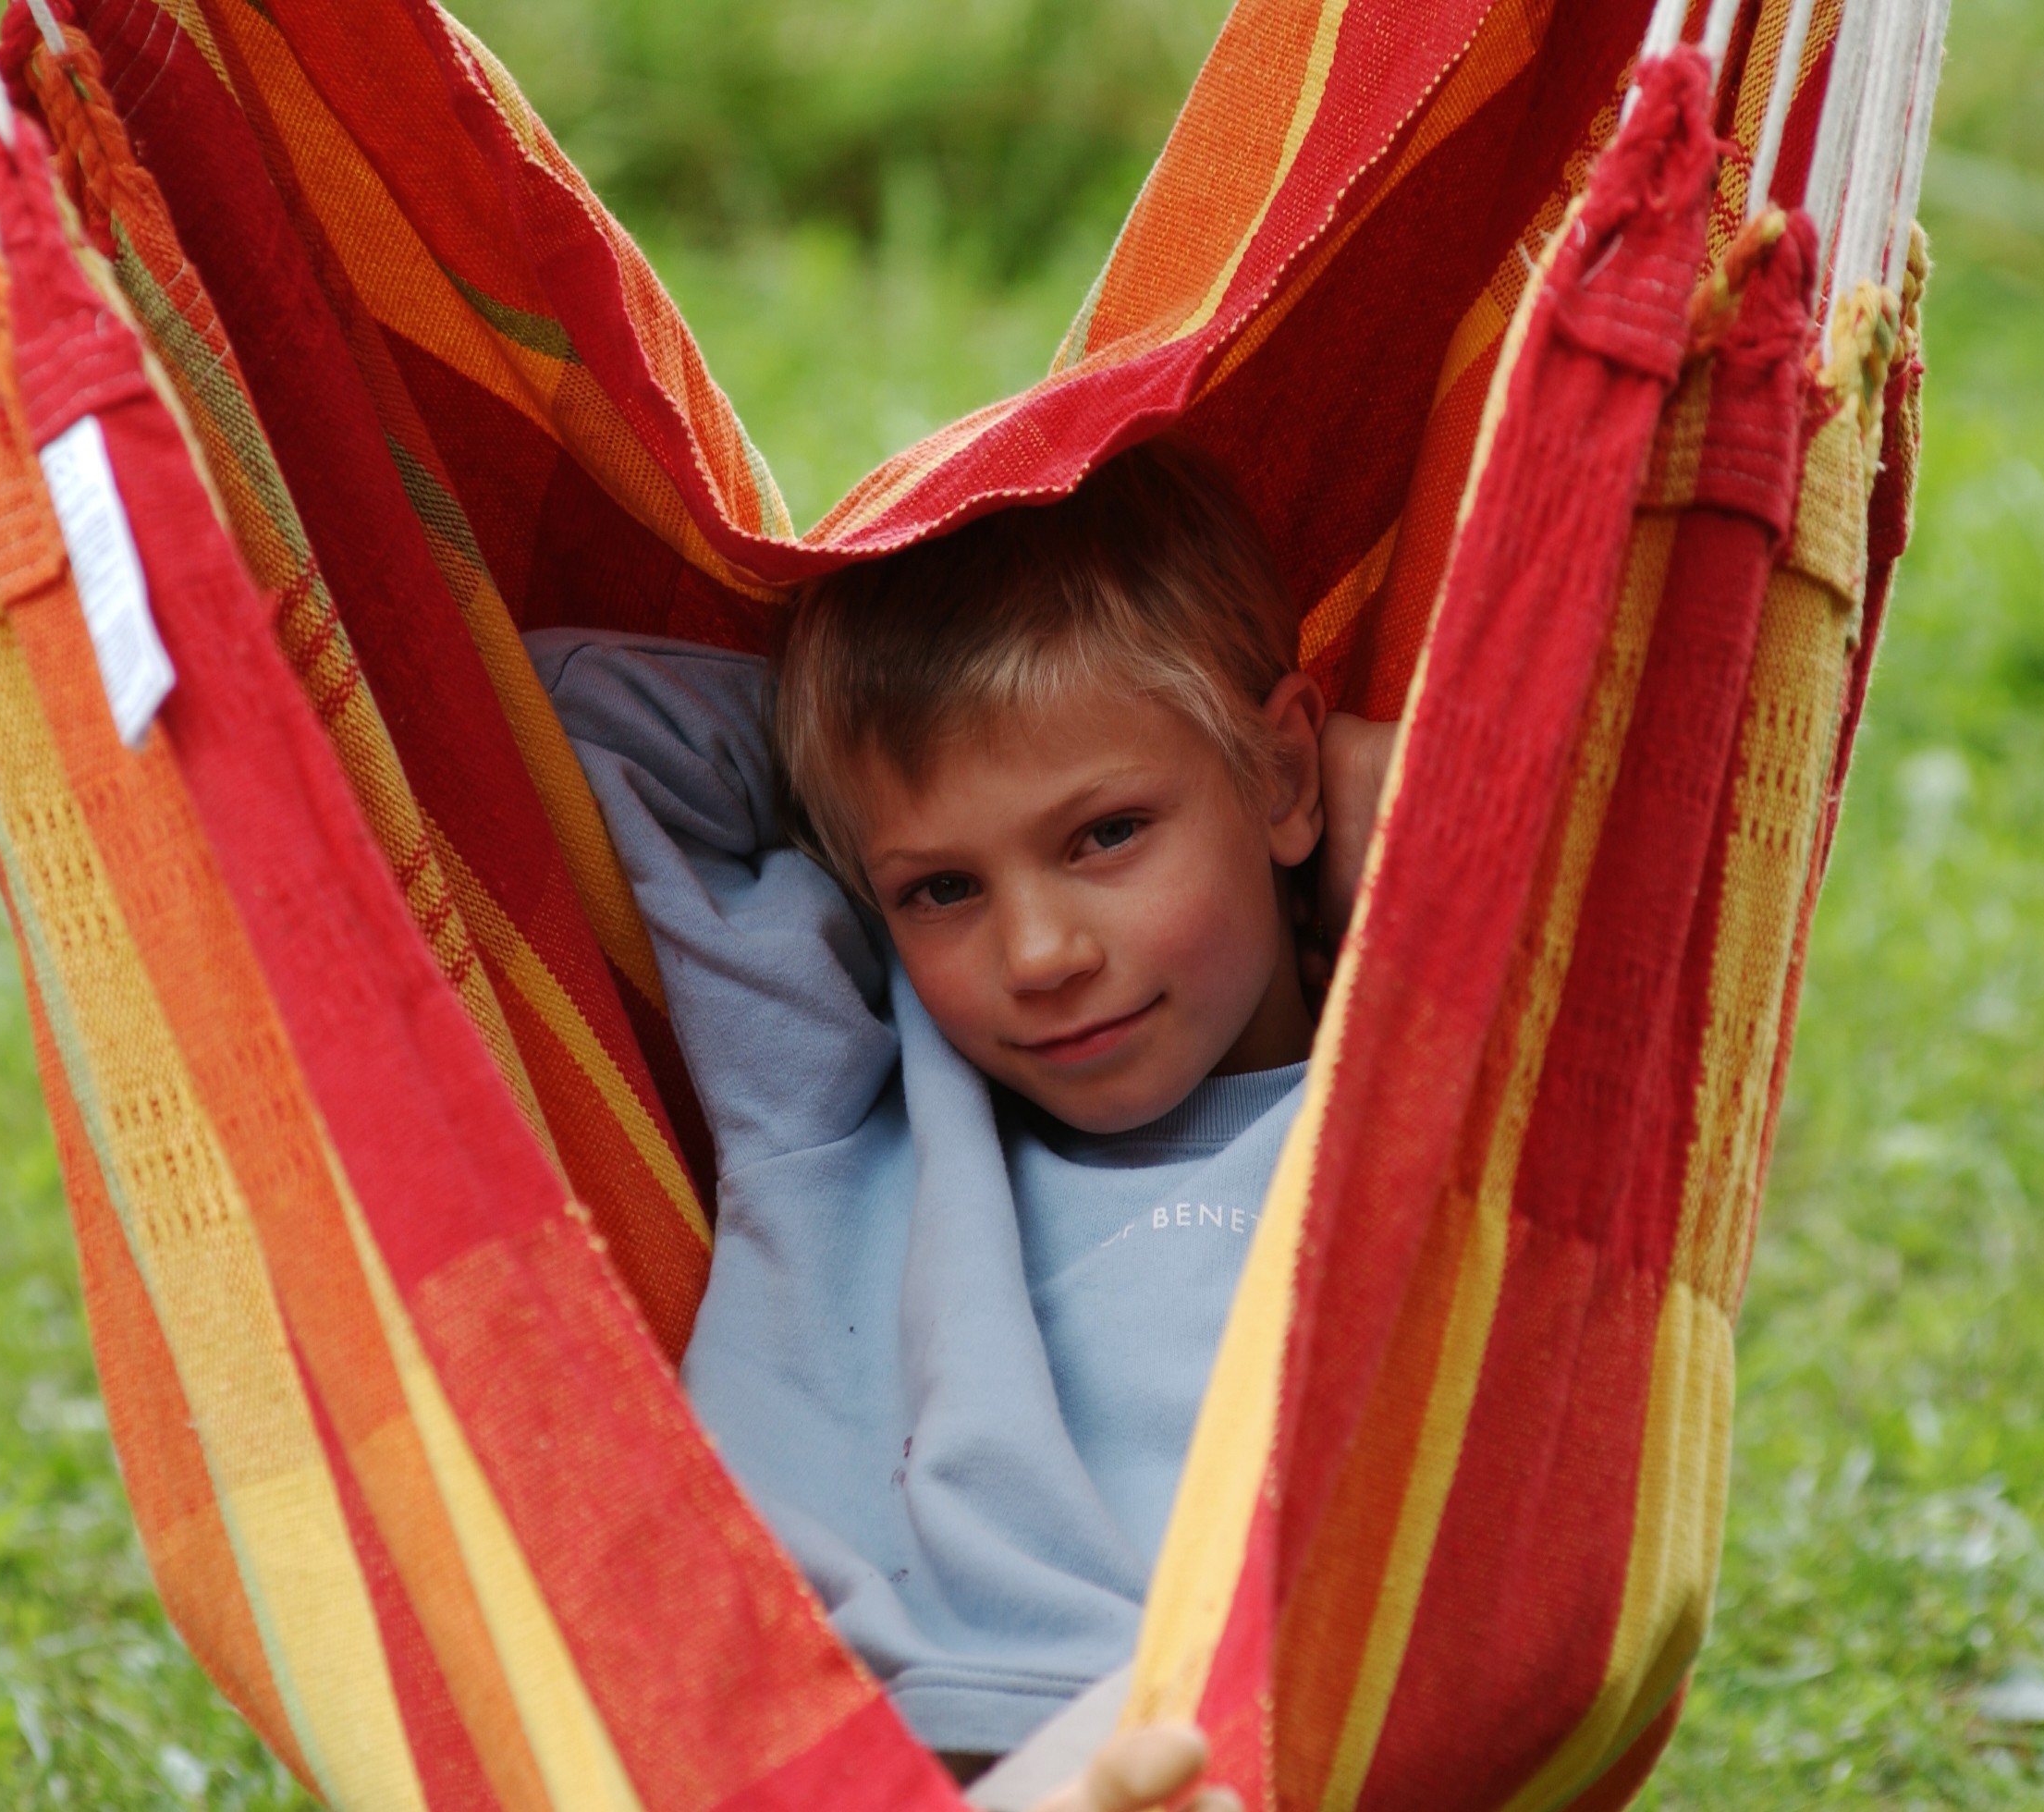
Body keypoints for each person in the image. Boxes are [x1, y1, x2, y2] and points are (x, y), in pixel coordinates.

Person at [526, 442, 1394, 1809]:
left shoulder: (1395, 1100)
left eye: (1103, 834)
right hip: (762, 1730)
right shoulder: (853, 1067)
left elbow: (1598, 873)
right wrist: (860, 745)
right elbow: (546, 722)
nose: (1037, 953)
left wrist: (1369, 790)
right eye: (942, 889)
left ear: (1276, 781)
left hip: (1170, 1728)